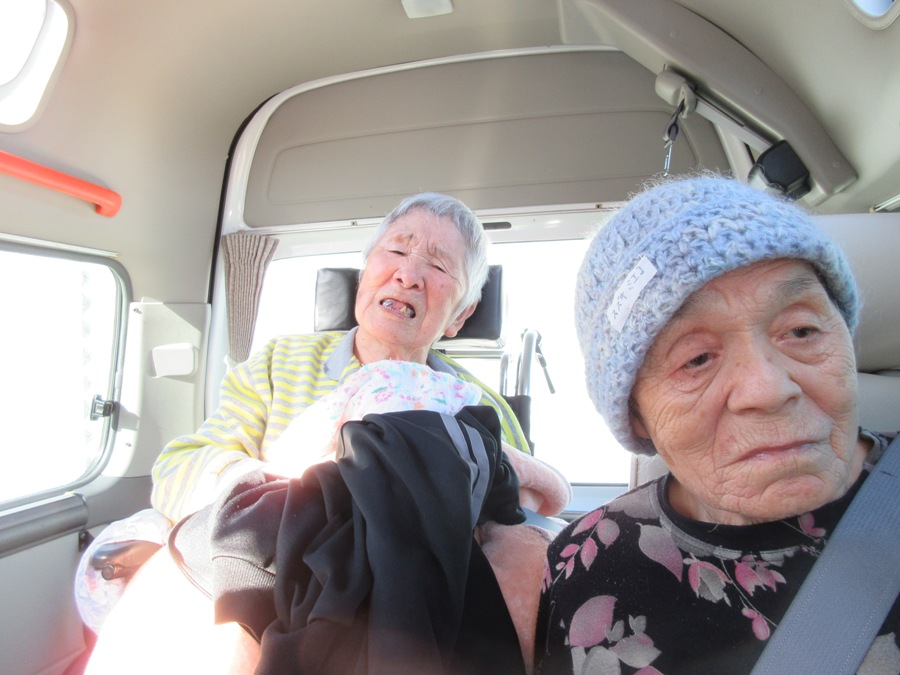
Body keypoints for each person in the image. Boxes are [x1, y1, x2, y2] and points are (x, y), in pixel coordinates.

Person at [85, 192, 570, 674]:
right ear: (365, 273)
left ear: (461, 314)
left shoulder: (482, 406)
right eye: (396, 250)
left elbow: (518, 522)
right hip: (274, 590)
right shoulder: (278, 363)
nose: (408, 275)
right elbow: (179, 469)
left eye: (439, 266)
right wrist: (287, 495)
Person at [533, 175, 899, 674]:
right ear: (637, 416)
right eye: (697, 358)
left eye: (801, 330)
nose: (768, 388)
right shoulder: (584, 563)